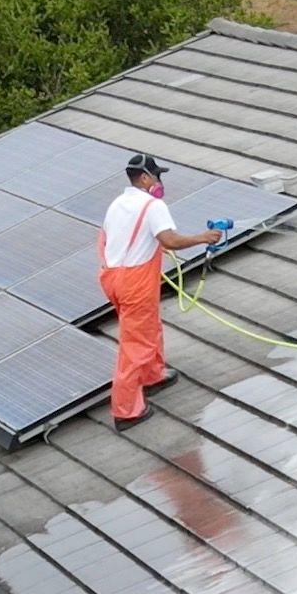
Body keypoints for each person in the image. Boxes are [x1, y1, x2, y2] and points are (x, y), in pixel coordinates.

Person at [98, 152, 223, 435]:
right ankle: (126, 410)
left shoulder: (118, 203)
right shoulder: (152, 205)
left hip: (113, 277)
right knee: (135, 344)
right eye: (157, 176)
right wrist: (202, 237)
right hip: (135, 281)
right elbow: (169, 239)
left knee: (148, 328)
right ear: (144, 178)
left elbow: (107, 239)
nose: (159, 181)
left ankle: (153, 375)